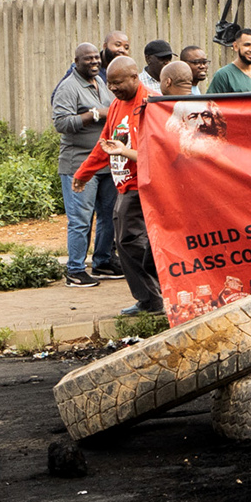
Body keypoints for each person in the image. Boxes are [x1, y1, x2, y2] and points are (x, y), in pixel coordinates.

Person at [71, 57, 164, 316]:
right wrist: (84, 172)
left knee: (131, 241)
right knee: (125, 241)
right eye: (109, 83)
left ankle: (155, 298)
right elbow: (105, 144)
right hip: (124, 184)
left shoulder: (151, 103)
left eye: (117, 82)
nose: (112, 88)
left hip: (144, 184)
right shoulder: (115, 105)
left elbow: (158, 150)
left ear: (134, 78)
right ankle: (150, 298)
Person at [51, 42, 117, 286]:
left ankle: (102, 262)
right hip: (79, 163)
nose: (94, 62)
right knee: (81, 219)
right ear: (76, 61)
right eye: (88, 59)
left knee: (109, 215)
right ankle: (75, 270)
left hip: (105, 161)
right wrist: (95, 114)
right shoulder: (68, 87)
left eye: (96, 58)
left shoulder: (100, 82)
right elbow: (61, 123)